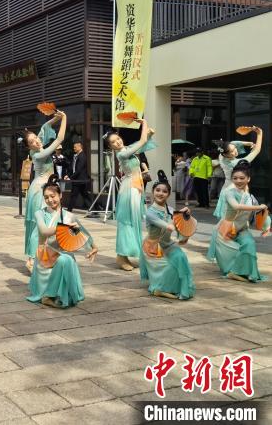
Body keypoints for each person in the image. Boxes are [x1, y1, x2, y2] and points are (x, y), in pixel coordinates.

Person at [27, 175, 98, 308]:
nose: (49, 200)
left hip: (61, 254)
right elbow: (44, 231)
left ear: (60, 196)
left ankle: (57, 294)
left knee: (67, 258)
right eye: (46, 197)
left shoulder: (69, 216)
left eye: (52, 196)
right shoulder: (39, 214)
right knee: (65, 259)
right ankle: (48, 296)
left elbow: (83, 233)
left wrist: (94, 248)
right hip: (45, 255)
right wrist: (65, 227)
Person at [106, 119, 156, 271]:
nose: (117, 142)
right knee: (127, 223)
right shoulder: (122, 154)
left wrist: (149, 134)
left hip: (135, 188)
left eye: (118, 139)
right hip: (129, 190)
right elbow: (142, 141)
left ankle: (126, 255)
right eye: (113, 142)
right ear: (110, 147)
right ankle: (121, 256)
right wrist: (144, 123)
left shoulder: (127, 149)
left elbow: (143, 144)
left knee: (133, 222)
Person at [207, 161, 270, 283]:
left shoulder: (250, 197)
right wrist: (259, 207)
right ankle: (234, 272)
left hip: (241, 229)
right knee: (232, 252)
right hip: (226, 230)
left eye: (242, 178)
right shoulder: (228, 192)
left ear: (248, 179)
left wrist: (266, 226)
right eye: (235, 178)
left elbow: (260, 213)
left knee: (249, 244)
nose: (238, 181)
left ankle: (246, 273)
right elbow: (236, 206)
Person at [23, 110, 67, 272]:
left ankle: (42, 256)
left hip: (43, 188)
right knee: (39, 225)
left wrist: (56, 118)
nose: (36, 141)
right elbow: (60, 139)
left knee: (46, 223)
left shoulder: (38, 148)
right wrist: (64, 118)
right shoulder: (38, 155)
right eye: (32, 142)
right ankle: (31, 259)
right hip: (40, 191)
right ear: (29, 147)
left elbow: (44, 127)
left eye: (36, 138)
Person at [140, 173, 195, 300]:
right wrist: (179, 215)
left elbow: (180, 228)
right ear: (153, 192)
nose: (160, 193)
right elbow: (168, 226)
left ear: (169, 194)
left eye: (164, 191)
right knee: (170, 266)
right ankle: (159, 289)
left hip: (167, 244)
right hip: (153, 247)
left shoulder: (170, 209)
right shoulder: (150, 213)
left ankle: (177, 288)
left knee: (180, 257)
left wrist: (185, 218)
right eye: (158, 190)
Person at [212, 128, 263, 219]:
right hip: (235, 190)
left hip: (226, 188)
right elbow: (257, 151)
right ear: (226, 154)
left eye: (235, 148)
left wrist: (248, 143)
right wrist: (259, 134)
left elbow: (232, 143)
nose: (235, 151)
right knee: (235, 218)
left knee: (228, 219)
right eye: (232, 151)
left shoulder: (221, 156)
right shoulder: (235, 163)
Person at [65, 141, 91, 211]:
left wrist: (71, 177)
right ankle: (94, 208)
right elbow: (72, 168)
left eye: (75, 147)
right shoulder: (76, 156)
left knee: (74, 195)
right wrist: (68, 175)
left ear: (80, 147)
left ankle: (69, 210)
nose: (74, 148)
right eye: (74, 147)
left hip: (79, 180)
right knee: (84, 195)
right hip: (77, 179)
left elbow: (79, 169)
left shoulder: (82, 156)